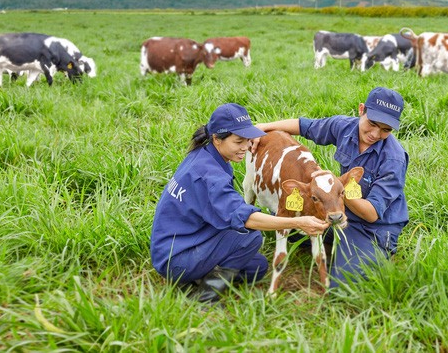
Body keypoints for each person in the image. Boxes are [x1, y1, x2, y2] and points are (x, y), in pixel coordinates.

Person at [150, 103, 329, 302]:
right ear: (217, 139)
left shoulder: (205, 155)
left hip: (185, 239)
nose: (246, 147)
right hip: (176, 257)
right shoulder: (209, 176)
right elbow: (246, 218)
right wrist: (297, 222)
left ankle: (197, 279)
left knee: (257, 267)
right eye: (238, 141)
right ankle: (204, 298)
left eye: (247, 139)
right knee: (249, 238)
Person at [252, 87, 409, 288]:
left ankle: (378, 250)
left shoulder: (393, 159)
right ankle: (335, 239)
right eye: (372, 124)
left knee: (344, 285)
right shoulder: (345, 127)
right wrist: (262, 127)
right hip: (337, 208)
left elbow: (371, 214)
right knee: (290, 225)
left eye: (386, 129)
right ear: (362, 110)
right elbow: (304, 126)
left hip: (374, 226)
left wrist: (334, 187)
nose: (375, 134)